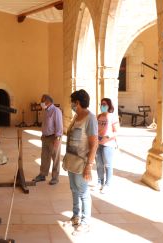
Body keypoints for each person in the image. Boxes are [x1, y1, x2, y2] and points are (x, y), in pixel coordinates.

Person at [65, 89, 98, 233]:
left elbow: (94, 143)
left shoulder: (90, 118)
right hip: (72, 161)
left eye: (72, 102)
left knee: (83, 192)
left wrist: (89, 166)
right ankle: (76, 216)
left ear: (77, 103)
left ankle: (85, 222)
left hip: (82, 163)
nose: (71, 105)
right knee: (74, 189)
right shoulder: (76, 117)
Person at [33, 94, 63, 185]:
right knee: (44, 157)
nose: (41, 103)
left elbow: (59, 126)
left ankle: (55, 177)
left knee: (55, 158)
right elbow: (45, 125)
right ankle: (42, 174)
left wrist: (57, 139)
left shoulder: (56, 111)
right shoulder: (46, 111)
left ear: (48, 102)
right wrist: (43, 135)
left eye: (42, 101)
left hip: (54, 137)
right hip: (45, 137)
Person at [95, 98, 120, 194]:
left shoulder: (113, 117)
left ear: (109, 105)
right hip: (98, 143)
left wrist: (108, 136)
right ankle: (100, 182)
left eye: (104, 104)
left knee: (108, 165)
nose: (102, 106)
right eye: (101, 104)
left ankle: (107, 184)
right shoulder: (98, 116)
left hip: (108, 144)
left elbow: (117, 131)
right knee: (99, 164)